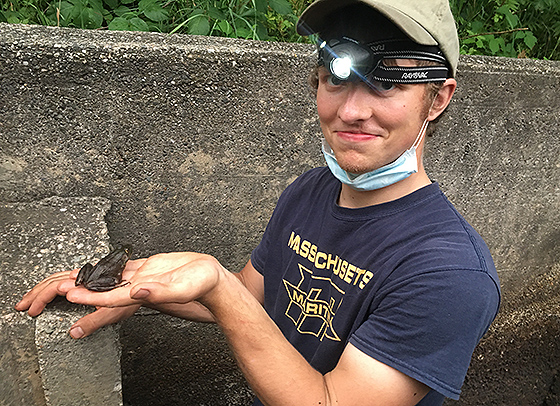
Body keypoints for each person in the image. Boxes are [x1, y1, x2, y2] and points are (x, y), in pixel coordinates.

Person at [15, 0, 501, 404]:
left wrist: (218, 287)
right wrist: (139, 291)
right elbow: (253, 298)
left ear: (437, 99)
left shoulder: (451, 273)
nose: (351, 110)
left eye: (389, 82)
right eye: (336, 76)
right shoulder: (310, 191)